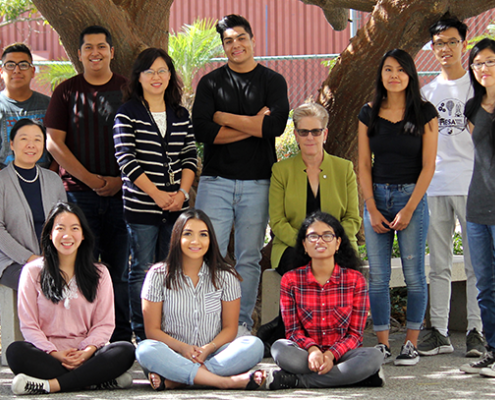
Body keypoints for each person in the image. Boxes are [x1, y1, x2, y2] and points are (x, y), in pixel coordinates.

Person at [192, 14, 290, 336]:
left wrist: (226, 118)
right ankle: (209, 324)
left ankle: (242, 324)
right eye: (229, 41)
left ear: (252, 39)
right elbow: (204, 131)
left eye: (241, 38)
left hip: (258, 182)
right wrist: (252, 123)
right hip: (216, 181)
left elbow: (274, 127)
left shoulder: (272, 81)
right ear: (223, 46)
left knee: (248, 259)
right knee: (209, 255)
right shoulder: (210, 83)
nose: (236, 45)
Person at [44, 25, 130, 342]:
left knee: (118, 271)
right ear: (78, 53)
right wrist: (93, 181)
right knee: (81, 270)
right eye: (88, 47)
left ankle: (119, 336)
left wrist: (120, 180)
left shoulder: (127, 90)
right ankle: (83, 335)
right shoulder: (66, 91)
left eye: (101, 46)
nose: (95, 52)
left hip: (124, 195)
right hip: (79, 197)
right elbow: (54, 145)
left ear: (111, 51)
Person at [358, 49, 438, 367]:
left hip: (411, 199)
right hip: (376, 198)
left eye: (400, 70)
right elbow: (364, 165)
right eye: (388, 69)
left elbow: (429, 166)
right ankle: (382, 345)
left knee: (414, 276)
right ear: (381, 75)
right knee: (377, 277)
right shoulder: (368, 112)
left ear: (410, 75)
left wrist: (409, 209)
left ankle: (410, 345)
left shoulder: (425, 112)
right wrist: (371, 208)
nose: (394, 75)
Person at [6, 202, 135, 395]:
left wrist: (86, 352)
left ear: (83, 235)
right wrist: (54, 353)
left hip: (88, 354)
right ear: (50, 234)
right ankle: (93, 381)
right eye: (60, 228)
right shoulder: (32, 271)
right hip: (47, 355)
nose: (67, 235)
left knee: (125, 350)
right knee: (15, 352)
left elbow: (104, 325)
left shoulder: (100, 273)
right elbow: (29, 325)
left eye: (75, 228)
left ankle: (51, 385)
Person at [113, 48, 197, 341]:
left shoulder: (179, 113)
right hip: (141, 207)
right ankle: (143, 333)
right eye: (150, 71)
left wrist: (182, 193)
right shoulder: (128, 113)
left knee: (169, 271)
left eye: (163, 70)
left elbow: (189, 156)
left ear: (170, 75)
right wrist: (157, 195)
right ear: (138, 77)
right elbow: (127, 160)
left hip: (175, 208)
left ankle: (166, 332)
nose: (156, 77)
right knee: (141, 270)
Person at [135, 209, 265, 391]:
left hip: (215, 355)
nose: (196, 241)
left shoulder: (226, 277)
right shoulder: (157, 275)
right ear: (177, 237)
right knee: (145, 350)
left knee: (254, 345)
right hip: (172, 356)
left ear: (210, 239)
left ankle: (179, 380)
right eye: (188, 234)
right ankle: (224, 381)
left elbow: (230, 328)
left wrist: (207, 349)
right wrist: (183, 349)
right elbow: (152, 331)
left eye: (203, 235)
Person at [419, 17, 486, 358]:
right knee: (439, 263)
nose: (445, 48)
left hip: (475, 186)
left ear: (464, 43)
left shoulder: (479, 87)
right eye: (439, 43)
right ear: (432, 47)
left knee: (477, 263)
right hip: (435, 187)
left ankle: (477, 330)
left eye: (451, 41)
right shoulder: (426, 93)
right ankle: (440, 332)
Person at [268, 212, 384, 390]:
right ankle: (352, 377)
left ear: (337, 243)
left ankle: (299, 381)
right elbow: (292, 331)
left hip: (343, 355)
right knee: (280, 348)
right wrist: (313, 350)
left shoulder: (355, 280)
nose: (320, 241)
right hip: (304, 354)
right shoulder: (290, 280)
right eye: (313, 236)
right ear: (304, 245)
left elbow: (355, 335)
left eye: (327, 236)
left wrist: (331, 355)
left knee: (374, 356)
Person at [269, 101, 361, 273]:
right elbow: (277, 221)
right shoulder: (281, 171)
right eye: (304, 132)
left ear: (324, 134)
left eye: (316, 132)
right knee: (302, 268)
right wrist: (307, 243)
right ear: (296, 135)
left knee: (339, 268)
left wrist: (329, 242)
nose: (310, 137)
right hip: (294, 245)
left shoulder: (344, 169)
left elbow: (352, 219)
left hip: (338, 245)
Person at [0, 119, 67, 290]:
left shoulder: (54, 180)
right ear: (12, 144)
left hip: (49, 260)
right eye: (24, 139)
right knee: (41, 282)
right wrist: (30, 258)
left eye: (37, 139)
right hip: (10, 261)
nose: (31, 145)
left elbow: (64, 224)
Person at [460, 38, 495, 377]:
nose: (483, 68)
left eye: (490, 61)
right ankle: (492, 351)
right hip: (478, 205)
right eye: (478, 63)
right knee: (485, 283)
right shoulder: (471, 108)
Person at [0, 43, 52, 192]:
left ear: (33, 71)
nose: (16, 70)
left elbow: (57, 153)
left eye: (23, 65)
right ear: (1, 71)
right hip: (1, 191)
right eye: (10, 65)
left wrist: (46, 183)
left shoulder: (50, 106)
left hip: (42, 190)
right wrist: (12, 190)